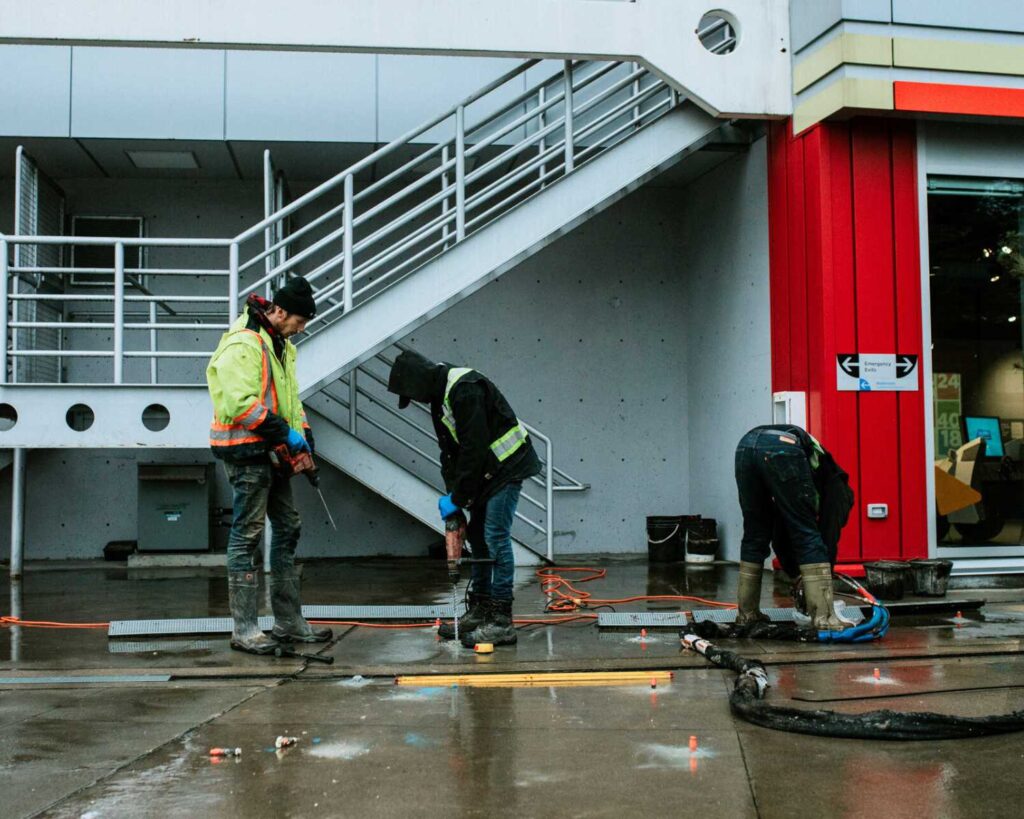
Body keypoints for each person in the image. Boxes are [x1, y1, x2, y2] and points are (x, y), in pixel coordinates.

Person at [206, 277, 332, 654]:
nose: (301, 328)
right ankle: (245, 629)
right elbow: (240, 404)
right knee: (247, 535)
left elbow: (288, 397)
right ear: (279, 311)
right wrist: (285, 434)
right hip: (246, 451)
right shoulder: (244, 342)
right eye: (298, 321)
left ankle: (288, 622)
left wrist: (302, 432)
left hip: (273, 449)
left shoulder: (281, 344)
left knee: (289, 526)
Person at [387, 350, 541, 647]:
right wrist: (453, 498)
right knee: (479, 538)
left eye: (411, 394)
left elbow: (474, 448)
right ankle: (481, 608)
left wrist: (459, 496)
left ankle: (501, 621)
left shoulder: (464, 389)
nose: (415, 401)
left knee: (495, 537)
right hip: (487, 471)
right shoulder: (439, 396)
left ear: (418, 382)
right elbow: (450, 453)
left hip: (507, 466)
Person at [733, 424, 855, 632]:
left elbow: (779, 530)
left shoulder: (818, 477)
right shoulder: (838, 491)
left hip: (745, 446)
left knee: (755, 532)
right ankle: (824, 617)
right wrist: (807, 576)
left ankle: (747, 615)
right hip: (782, 446)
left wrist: (795, 573)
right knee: (807, 532)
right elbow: (824, 538)